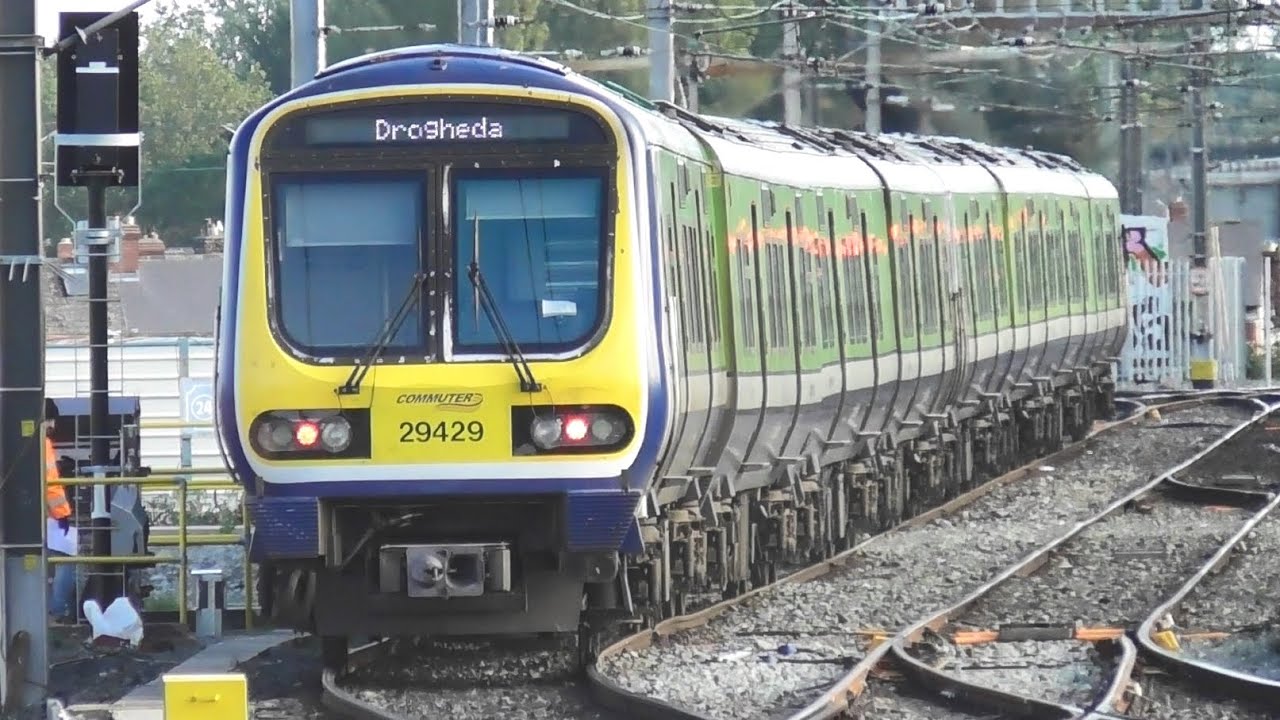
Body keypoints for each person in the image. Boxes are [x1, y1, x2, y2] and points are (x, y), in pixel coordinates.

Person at [45, 398, 78, 622]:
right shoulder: (43, 443)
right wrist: (62, 513)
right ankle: (57, 610)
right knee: (66, 559)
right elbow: (51, 484)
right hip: (44, 516)